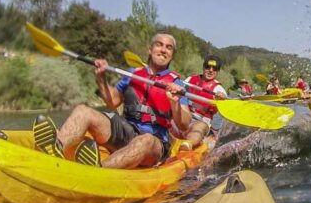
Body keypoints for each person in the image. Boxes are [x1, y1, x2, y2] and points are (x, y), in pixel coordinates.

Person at [31, 33, 191, 168]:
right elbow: (113, 102)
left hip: (154, 143)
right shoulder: (132, 74)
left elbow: (184, 124)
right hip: (127, 130)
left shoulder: (177, 84)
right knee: (82, 111)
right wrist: (101, 78)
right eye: (159, 45)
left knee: (146, 140)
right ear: (150, 49)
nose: (163, 50)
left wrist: (174, 102)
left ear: (172, 55)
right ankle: (55, 149)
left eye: (169, 47)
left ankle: (100, 170)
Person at [181, 55, 228, 150]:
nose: (210, 70)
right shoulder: (189, 80)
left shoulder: (219, 89)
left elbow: (224, 106)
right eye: (207, 67)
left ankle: (187, 144)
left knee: (199, 128)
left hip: (201, 120)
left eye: (214, 68)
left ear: (218, 72)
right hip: (185, 115)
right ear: (203, 67)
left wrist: (222, 99)